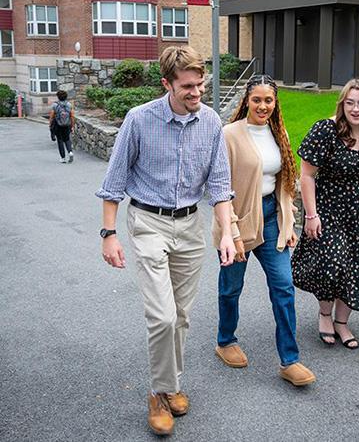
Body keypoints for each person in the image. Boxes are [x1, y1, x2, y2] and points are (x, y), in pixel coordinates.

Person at [96, 45, 236, 436]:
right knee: (162, 316)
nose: (196, 93)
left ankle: (172, 383)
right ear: (166, 84)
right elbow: (114, 183)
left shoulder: (209, 122)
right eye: (188, 87)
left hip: (190, 226)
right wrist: (109, 234)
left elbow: (220, 185)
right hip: (148, 222)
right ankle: (159, 392)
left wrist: (226, 232)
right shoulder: (139, 120)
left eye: (200, 84)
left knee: (182, 316)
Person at [212, 74, 316, 387]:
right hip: (238, 220)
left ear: (275, 103)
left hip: (272, 220)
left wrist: (288, 222)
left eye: (268, 100)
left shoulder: (277, 132)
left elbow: (285, 182)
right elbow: (219, 186)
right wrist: (230, 231)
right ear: (246, 100)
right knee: (231, 286)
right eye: (257, 99)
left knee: (284, 287)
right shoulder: (229, 134)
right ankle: (225, 340)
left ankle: (290, 359)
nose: (263, 105)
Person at [291, 79, 359, 349]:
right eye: (350, 103)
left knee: (357, 266)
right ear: (342, 104)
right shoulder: (325, 130)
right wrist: (310, 215)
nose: (356, 109)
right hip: (329, 209)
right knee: (333, 263)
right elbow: (306, 175)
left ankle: (342, 322)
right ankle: (325, 316)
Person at [49, 90, 74, 163]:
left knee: (60, 140)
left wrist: (50, 125)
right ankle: (70, 152)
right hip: (67, 125)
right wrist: (72, 126)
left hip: (58, 125)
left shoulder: (55, 105)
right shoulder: (69, 105)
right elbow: (72, 116)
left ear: (58, 97)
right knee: (67, 139)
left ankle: (63, 158)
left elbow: (52, 116)